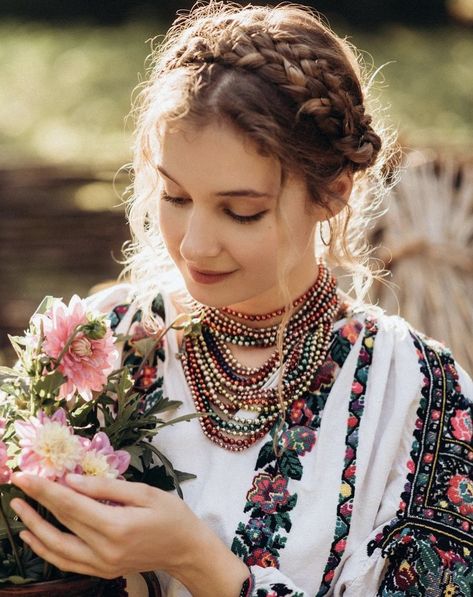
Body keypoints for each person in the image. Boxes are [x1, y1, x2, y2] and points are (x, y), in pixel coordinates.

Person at [9, 1, 473, 595]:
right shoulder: (98, 345)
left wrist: (199, 561)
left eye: (241, 211)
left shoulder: (417, 392)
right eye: (175, 198)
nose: (196, 245)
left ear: (331, 194)